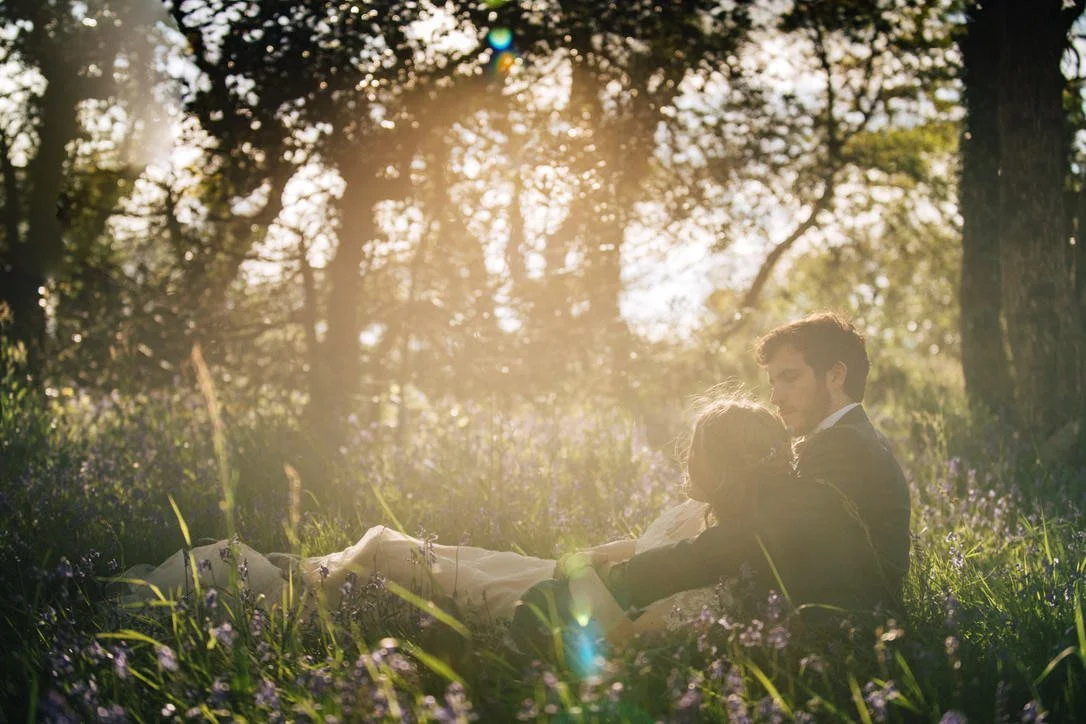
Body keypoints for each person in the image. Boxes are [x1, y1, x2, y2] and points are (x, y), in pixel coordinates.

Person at [120, 394, 790, 633]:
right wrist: (584, 556)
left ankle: (266, 594)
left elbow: (643, 621)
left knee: (389, 552)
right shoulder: (699, 511)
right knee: (406, 554)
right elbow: (638, 547)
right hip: (554, 574)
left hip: (562, 602)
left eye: (697, 450)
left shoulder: (729, 548)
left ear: (724, 463)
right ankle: (268, 577)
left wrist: (578, 582)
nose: (685, 457)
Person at [594, 312, 911, 624]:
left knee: (609, 621)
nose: (775, 397)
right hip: (818, 611)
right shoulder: (847, 438)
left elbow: (753, 537)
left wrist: (629, 577)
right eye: (773, 382)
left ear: (836, 376)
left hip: (843, 628)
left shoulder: (848, 447)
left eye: (790, 377)